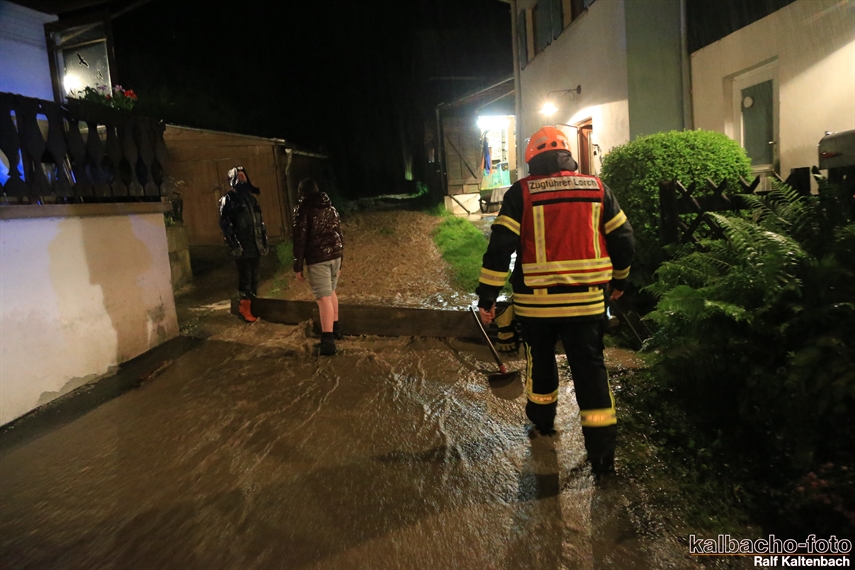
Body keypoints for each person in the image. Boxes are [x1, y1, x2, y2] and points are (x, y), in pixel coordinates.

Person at [476, 126, 635, 479]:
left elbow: (500, 247)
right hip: (587, 304)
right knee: (591, 373)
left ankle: (543, 422)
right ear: (568, 155)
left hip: (536, 306)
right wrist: (620, 281)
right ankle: (603, 456)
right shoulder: (597, 189)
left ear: (531, 158)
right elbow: (624, 239)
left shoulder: (521, 192)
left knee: (540, 362)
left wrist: (488, 296)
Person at [292, 178, 344, 356]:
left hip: (319, 258)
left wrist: (298, 265)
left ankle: (327, 342)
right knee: (331, 292)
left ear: (301, 192)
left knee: (323, 299)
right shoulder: (330, 207)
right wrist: (341, 259)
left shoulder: (303, 209)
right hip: (335, 255)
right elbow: (339, 233)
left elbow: (300, 239)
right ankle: (335, 330)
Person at [219, 165, 269, 323]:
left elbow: (260, 223)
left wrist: (264, 240)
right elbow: (225, 224)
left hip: (255, 244)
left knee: (255, 277)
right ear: (233, 179)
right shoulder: (228, 199)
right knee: (245, 278)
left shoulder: (252, 199)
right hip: (241, 246)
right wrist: (234, 244)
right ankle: (244, 308)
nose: (242, 178)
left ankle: (253, 306)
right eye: (239, 176)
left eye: (243, 175)